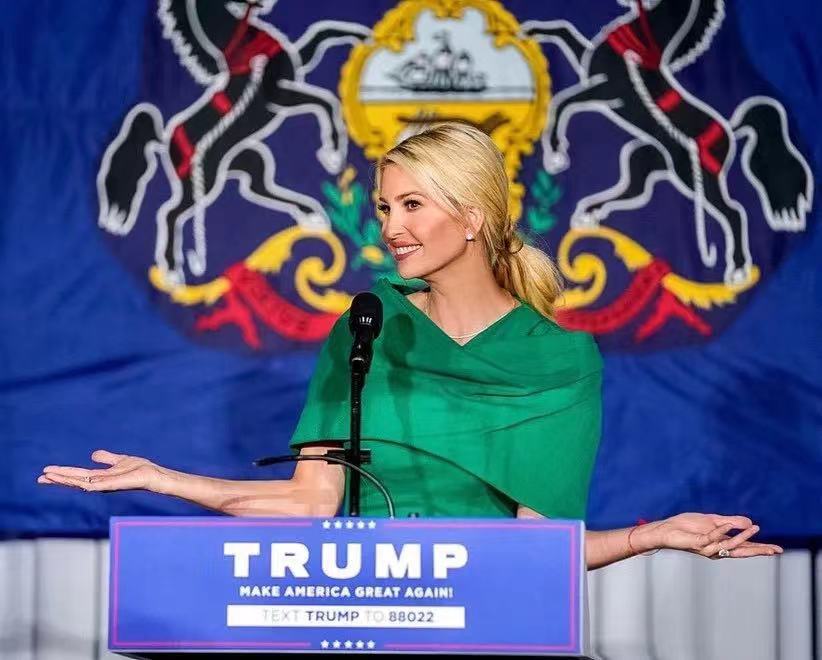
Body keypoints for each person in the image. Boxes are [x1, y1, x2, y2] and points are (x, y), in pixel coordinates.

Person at [39, 122, 782, 569]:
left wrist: (653, 537)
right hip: (360, 615)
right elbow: (310, 503)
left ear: (473, 216)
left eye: (412, 205)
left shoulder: (559, 360)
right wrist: (166, 480)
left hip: (483, 618)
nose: (390, 227)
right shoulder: (366, 326)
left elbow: (539, 550)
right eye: (385, 206)